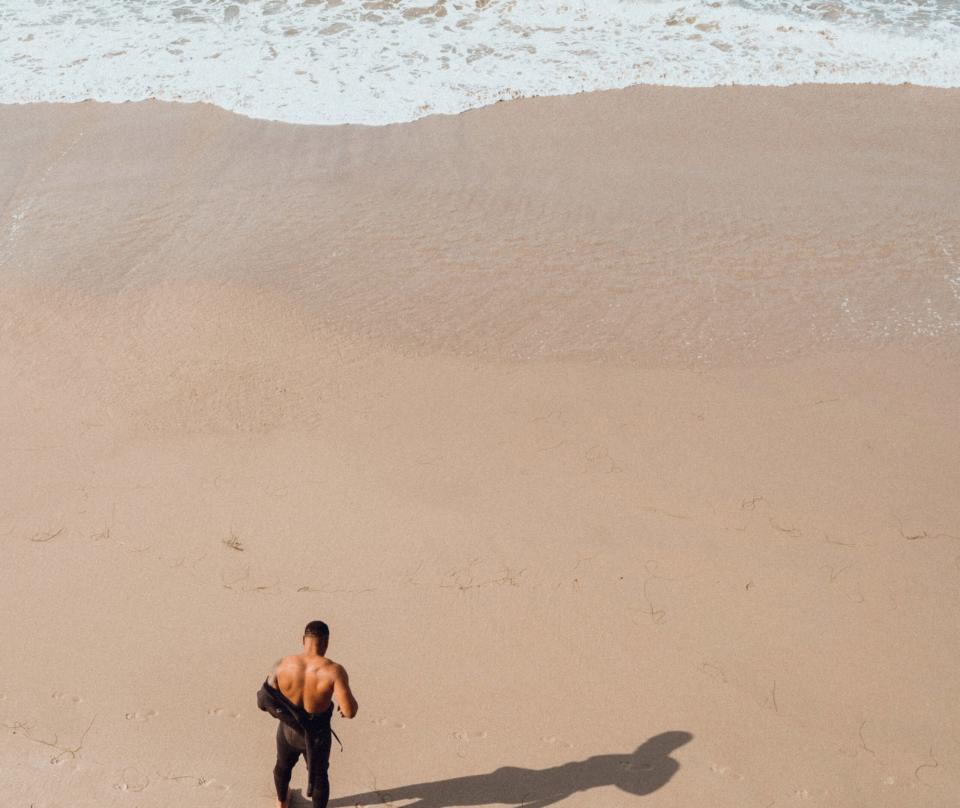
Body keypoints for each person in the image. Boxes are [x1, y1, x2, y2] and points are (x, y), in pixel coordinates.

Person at [258, 620, 358, 808]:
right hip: (316, 736)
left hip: (288, 732)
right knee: (319, 776)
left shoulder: (282, 664)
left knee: (283, 766)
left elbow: (265, 697)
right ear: (326, 642)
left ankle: (281, 802)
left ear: (303, 640)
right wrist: (343, 708)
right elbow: (350, 711)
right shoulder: (334, 671)